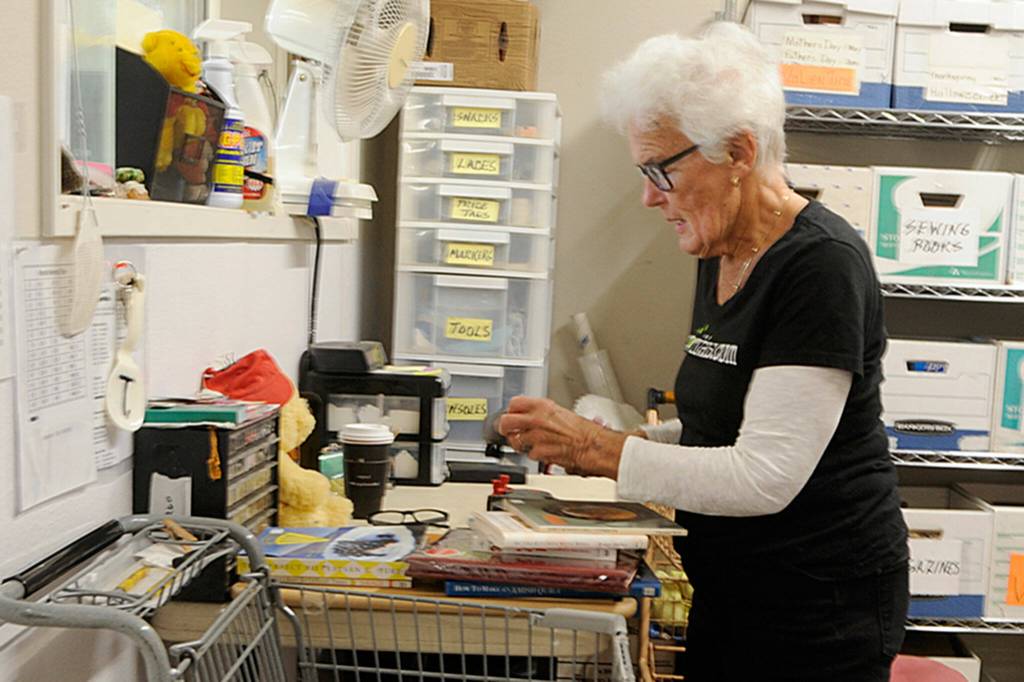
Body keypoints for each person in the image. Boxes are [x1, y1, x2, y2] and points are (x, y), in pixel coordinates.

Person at [497, 22, 909, 682]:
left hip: (820, 605)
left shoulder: (821, 268)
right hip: (735, 588)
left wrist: (596, 449)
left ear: (739, 152)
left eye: (660, 169)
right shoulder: (721, 248)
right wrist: (632, 438)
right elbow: (726, 424)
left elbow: (763, 474)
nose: (648, 196)